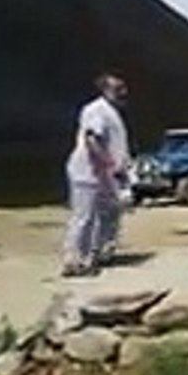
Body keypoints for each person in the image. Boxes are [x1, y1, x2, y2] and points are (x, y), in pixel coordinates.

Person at [62, 73, 130, 276]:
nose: (123, 92)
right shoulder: (96, 110)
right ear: (105, 89)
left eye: (123, 88)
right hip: (89, 173)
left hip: (105, 176)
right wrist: (109, 164)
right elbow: (92, 139)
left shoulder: (111, 112)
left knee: (109, 214)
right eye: (118, 88)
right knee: (84, 217)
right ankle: (75, 261)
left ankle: (99, 253)